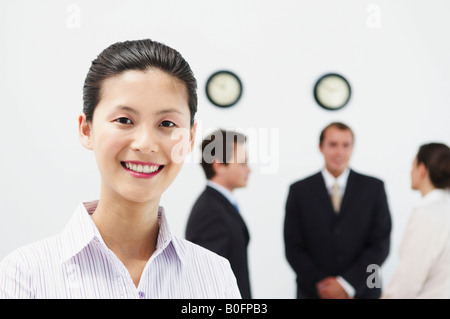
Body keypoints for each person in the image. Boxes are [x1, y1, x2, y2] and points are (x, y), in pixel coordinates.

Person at [0, 39, 241, 299]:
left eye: (167, 123)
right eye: (124, 120)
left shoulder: (215, 276)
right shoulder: (27, 275)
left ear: (190, 139)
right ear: (86, 129)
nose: (145, 144)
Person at [284, 122, 392, 299]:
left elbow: (380, 244)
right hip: (314, 292)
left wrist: (346, 284)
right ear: (321, 147)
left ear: (352, 148)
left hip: (363, 291)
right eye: (333, 144)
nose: (339, 152)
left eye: (346, 145)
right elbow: (293, 247)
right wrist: (323, 285)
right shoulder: (299, 190)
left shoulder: (374, 188)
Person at [185, 129, 252, 299]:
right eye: (243, 163)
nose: (249, 170)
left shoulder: (219, 205)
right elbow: (207, 283)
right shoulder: (210, 212)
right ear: (219, 165)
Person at [383, 143, 450, 298]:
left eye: (412, 165)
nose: (410, 172)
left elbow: (407, 282)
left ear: (422, 169)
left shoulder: (426, 215)